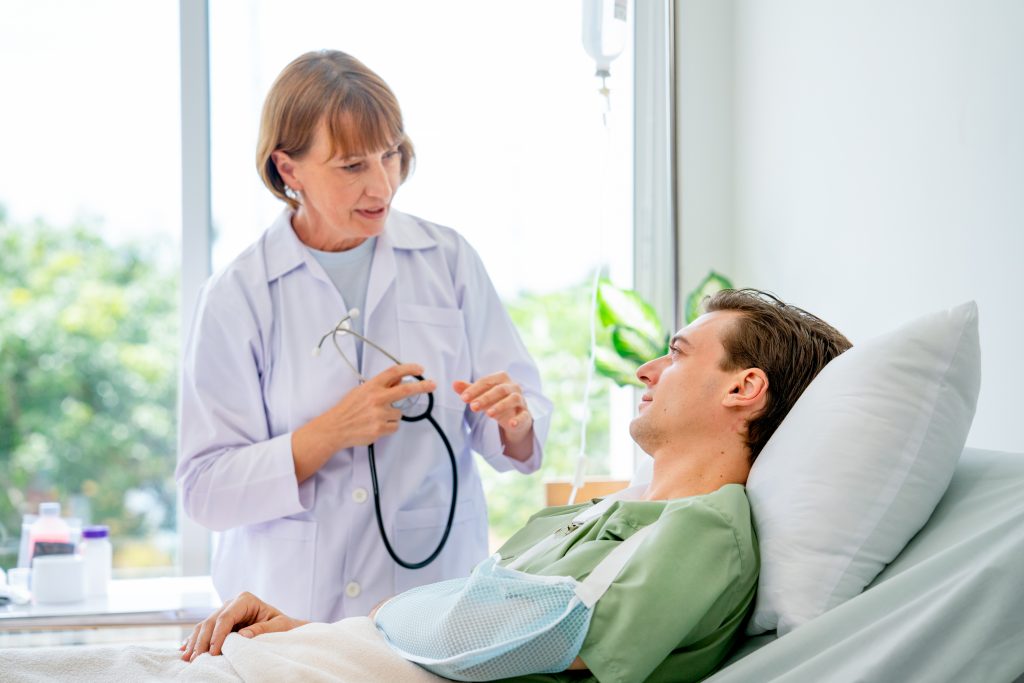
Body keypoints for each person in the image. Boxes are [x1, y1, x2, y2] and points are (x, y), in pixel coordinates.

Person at [180, 289, 852, 682]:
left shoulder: (705, 531)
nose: (647, 369)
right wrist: (305, 632)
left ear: (744, 386)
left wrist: (357, 632)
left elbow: (522, 640)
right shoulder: (612, 513)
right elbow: (466, 629)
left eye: (675, 352)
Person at [176, 50, 552, 625]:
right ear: (288, 169)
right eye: (352, 166)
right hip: (286, 613)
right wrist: (330, 432)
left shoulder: (446, 260)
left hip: (430, 604)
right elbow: (206, 490)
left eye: (391, 156)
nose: (382, 185)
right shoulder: (239, 293)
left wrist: (514, 421)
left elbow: (515, 436)